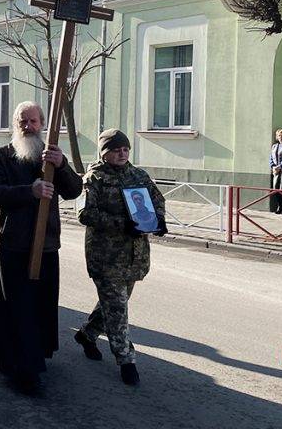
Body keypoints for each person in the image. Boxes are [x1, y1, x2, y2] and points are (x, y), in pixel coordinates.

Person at [0, 101, 83, 394]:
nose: (29, 126)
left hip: (46, 245)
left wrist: (62, 165)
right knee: (17, 308)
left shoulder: (50, 156)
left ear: (42, 124)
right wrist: (31, 191)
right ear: (16, 124)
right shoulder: (1, 155)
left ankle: (36, 357)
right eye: (23, 121)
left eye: (34, 121)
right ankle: (22, 369)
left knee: (40, 307)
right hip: (12, 244)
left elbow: (74, 190)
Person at [76, 129, 166, 386]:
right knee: (117, 308)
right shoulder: (94, 178)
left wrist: (157, 220)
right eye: (116, 150)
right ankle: (126, 360)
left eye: (125, 149)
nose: (122, 153)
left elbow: (156, 199)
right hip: (105, 256)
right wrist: (121, 223)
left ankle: (87, 334)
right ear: (105, 153)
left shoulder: (138, 174)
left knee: (115, 303)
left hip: (134, 255)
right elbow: (85, 214)